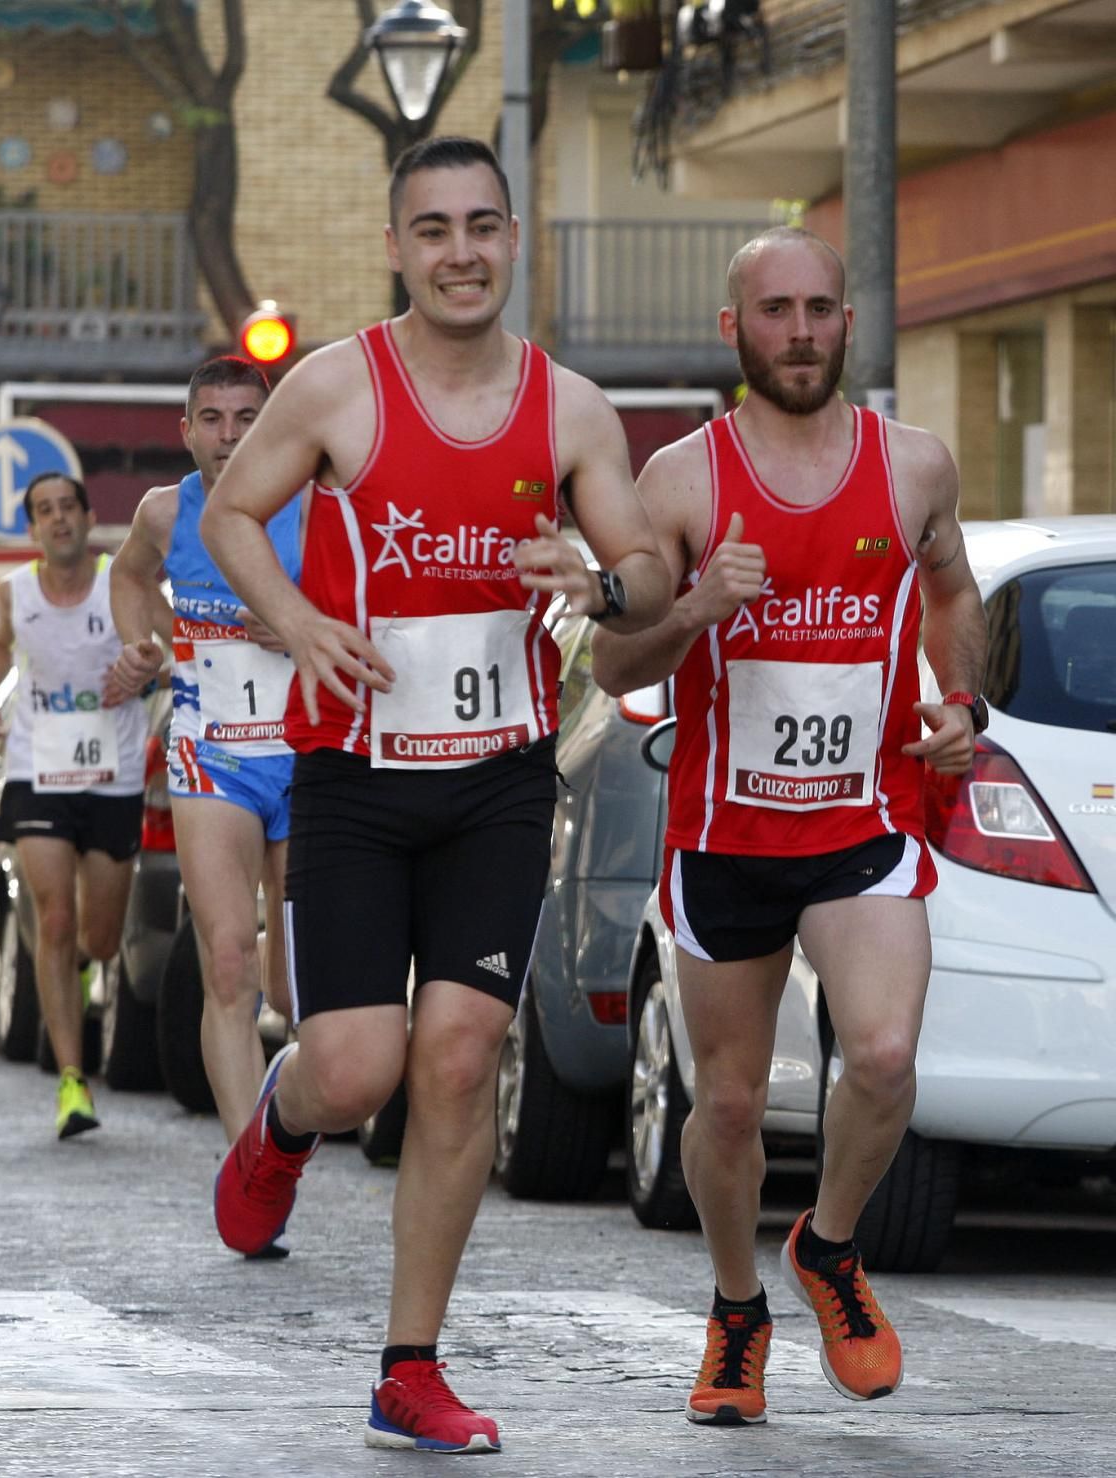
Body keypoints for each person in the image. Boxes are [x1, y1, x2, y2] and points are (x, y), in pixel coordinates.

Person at [199, 136, 672, 1454]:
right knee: (361, 1064)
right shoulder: (337, 386)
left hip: (500, 781)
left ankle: (409, 1364)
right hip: (352, 775)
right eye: (433, 229)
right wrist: (295, 622)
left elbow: (639, 570)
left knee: (460, 1056)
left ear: (514, 240)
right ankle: (282, 1119)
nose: (460, 250)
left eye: (482, 225)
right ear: (398, 248)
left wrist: (597, 578)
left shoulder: (570, 408)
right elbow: (237, 514)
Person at [593, 225, 988, 1427]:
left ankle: (826, 1247)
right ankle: (735, 1307)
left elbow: (955, 590)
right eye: (777, 310)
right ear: (735, 329)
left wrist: (959, 697)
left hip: (862, 819)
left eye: (821, 308)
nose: (802, 332)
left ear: (849, 321)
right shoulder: (682, 481)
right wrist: (699, 604)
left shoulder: (914, 463)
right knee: (724, 1102)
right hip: (723, 837)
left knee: (880, 1055)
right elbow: (613, 658)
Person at [107, 356, 305, 1256]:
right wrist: (144, 642)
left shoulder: (320, 502)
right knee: (227, 963)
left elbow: (378, 612)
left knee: (298, 987)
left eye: (246, 417)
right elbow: (129, 575)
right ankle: (250, 1176)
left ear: (273, 422)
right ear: (187, 430)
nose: (230, 435)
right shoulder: (164, 510)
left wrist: (298, 621)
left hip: (309, 760)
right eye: (212, 419)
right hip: (211, 754)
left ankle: (288, 1123)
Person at [0, 471, 155, 1140]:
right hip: (39, 768)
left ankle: (80, 975)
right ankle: (73, 1083)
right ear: (31, 529)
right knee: (54, 919)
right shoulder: (15, 592)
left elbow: (167, 649)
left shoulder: (122, 582)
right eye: (44, 512)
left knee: (99, 938)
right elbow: (0, 648)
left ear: (88, 516)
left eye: (67, 508)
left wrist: (143, 663)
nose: (57, 521)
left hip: (112, 775)